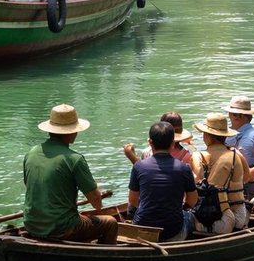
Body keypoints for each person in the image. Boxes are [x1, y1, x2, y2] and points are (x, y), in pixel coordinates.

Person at [22, 104, 118, 244]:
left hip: (31, 224)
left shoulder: (31, 153)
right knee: (110, 223)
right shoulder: (75, 159)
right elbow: (96, 203)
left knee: (80, 218)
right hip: (61, 227)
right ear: (71, 132)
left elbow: (33, 186)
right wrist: (95, 188)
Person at [127, 121, 197, 242]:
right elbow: (193, 199)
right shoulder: (184, 168)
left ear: (150, 142)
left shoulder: (138, 167)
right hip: (173, 232)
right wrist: (183, 209)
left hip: (143, 229)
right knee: (189, 216)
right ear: (172, 143)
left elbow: (132, 201)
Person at [189, 112, 248, 235]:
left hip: (201, 220)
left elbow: (193, 189)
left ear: (208, 136)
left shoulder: (196, 156)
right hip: (234, 219)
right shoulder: (236, 155)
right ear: (225, 136)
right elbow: (247, 178)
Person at [224, 96, 254, 200]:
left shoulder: (221, 134)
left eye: (230, 113)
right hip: (249, 187)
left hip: (226, 184)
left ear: (236, 116)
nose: (228, 116)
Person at [123, 111, 195, 165]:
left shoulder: (147, 152)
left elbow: (142, 173)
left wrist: (131, 155)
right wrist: (191, 145)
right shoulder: (188, 155)